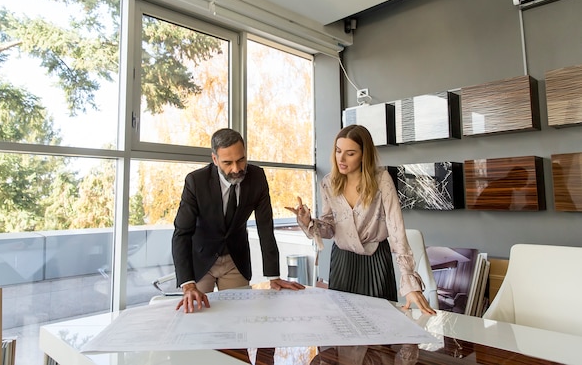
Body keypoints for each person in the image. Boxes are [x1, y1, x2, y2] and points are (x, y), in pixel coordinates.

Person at [286, 124, 435, 315]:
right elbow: (330, 228)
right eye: (338, 151)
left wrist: (409, 282)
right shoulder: (329, 183)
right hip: (342, 262)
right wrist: (308, 222)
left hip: (376, 260)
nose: (341, 158)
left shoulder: (382, 179)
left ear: (364, 155)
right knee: (342, 324)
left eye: (350, 153)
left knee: (380, 325)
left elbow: (396, 229)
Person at [172, 128, 305, 313]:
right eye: (227, 163)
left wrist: (273, 276)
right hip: (201, 260)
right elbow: (182, 233)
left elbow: (265, 227)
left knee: (238, 317)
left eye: (241, 160)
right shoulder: (196, 182)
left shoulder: (257, 177)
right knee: (198, 318)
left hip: (235, 259)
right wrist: (188, 284)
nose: (236, 169)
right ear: (215, 159)